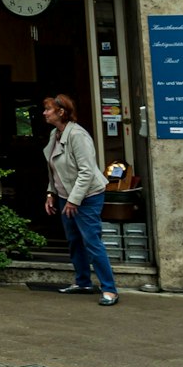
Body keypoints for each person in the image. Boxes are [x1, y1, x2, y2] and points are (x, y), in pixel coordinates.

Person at [43, 94, 117, 305]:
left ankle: (110, 290)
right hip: (65, 196)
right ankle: (83, 282)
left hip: (87, 197)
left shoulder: (77, 135)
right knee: (74, 241)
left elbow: (86, 171)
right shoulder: (55, 134)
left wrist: (74, 200)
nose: (44, 113)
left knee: (92, 241)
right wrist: (51, 193)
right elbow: (54, 169)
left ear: (61, 112)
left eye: (48, 109)